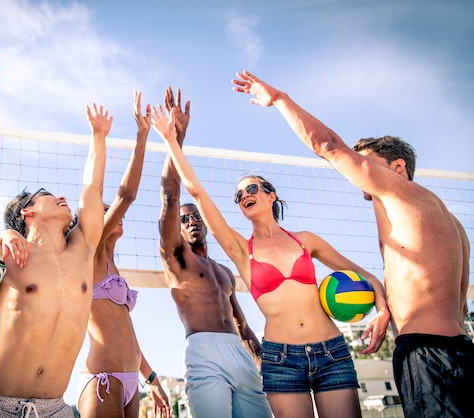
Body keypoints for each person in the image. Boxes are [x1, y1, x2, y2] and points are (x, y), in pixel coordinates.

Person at [231, 70, 473, 417]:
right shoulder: (446, 223)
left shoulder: (407, 197)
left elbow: (328, 145)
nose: (358, 169)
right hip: (451, 351)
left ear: (398, 167)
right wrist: (386, 305)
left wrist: (280, 99)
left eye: (368, 163)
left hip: (428, 355)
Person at [152, 89, 391, 418]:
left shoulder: (306, 239)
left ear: (270, 195)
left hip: (331, 351)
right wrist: (171, 140)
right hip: (281, 358)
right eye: (239, 195)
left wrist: (381, 309)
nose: (245, 195)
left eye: (251, 188)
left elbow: (366, 275)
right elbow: (194, 189)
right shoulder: (239, 249)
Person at [0, 102, 109, 418]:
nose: (63, 198)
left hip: (55, 409)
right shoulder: (10, 256)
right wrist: (3, 235)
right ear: (28, 212)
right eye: (48, 194)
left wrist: (98, 136)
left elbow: (92, 189)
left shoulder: (82, 249)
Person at [157, 87, 272, 418]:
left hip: (238, 352)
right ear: (176, 228)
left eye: (196, 216)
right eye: (185, 218)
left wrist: (260, 357)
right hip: (204, 351)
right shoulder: (177, 258)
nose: (192, 220)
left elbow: (241, 320)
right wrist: (176, 139)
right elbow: (169, 195)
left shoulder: (223, 270)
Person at [76, 91, 171, 418]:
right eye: (104, 211)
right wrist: (141, 136)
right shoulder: (92, 251)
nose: (111, 213)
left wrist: (152, 378)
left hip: (133, 378)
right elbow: (127, 194)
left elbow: (127, 334)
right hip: (105, 380)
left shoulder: (113, 265)